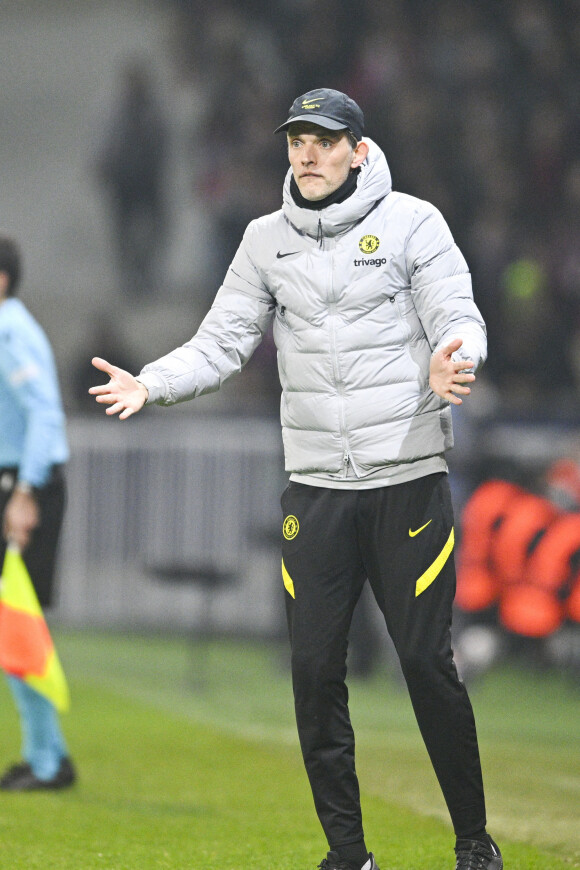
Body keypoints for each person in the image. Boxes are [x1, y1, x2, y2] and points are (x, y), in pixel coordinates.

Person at [90, 89, 502, 870]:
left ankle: (474, 842)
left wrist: (457, 353)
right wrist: (152, 382)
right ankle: (348, 855)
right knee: (314, 672)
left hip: (405, 479)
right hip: (315, 492)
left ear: (358, 147)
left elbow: (458, 311)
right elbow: (220, 343)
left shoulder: (415, 222)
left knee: (423, 663)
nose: (306, 153)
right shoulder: (262, 241)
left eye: (322, 139)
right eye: (295, 140)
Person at [0, 236, 76, 791]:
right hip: (16, 484)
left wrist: (23, 494)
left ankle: (49, 761)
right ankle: (45, 754)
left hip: (22, 489)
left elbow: (46, 417)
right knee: (12, 625)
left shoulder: (10, 332)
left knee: (17, 624)